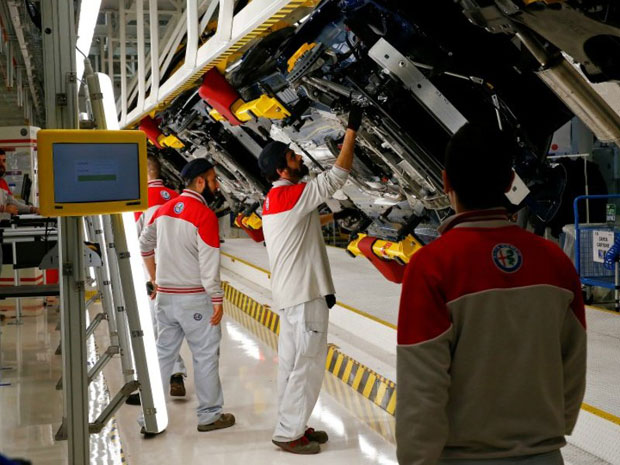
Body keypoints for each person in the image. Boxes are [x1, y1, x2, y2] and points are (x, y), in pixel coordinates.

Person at [396, 123, 587, 465]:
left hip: (463, 457)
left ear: (445, 182)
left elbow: (421, 383)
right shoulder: (555, 260)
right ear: (510, 181)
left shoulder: (431, 266)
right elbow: (573, 362)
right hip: (544, 454)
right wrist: (548, 431)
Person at [258, 104, 362, 454]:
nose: (299, 158)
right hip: (305, 297)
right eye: (292, 157)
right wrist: (351, 131)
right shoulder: (291, 194)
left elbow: (302, 226)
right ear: (281, 169)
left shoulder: (274, 200)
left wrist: (336, 220)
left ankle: (291, 424)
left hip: (290, 296)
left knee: (291, 366)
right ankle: (290, 434)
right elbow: (336, 177)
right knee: (308, 365)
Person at [139, 158, 234, 434]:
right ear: (200, 182)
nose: (217, 186)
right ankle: (209, 415)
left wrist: (154, 278)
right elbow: (209, 265)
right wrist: (217, 299)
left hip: (166, 299)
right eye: (213, 180)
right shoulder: (204, 215)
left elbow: (144, 245)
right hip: (194, 299)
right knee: (205, 356)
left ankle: (148, 417)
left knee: (162, 356)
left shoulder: (163, 210)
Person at [126, 155, 187, 406]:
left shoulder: (137, 202)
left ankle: (158, 384)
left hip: (150, 274)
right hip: (179, 273)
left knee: (152, 328)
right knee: (168, 325)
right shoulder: (177, 198)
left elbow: (135, 243)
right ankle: (174, 374)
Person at [0, 149, 39, 219]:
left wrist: (33, 209)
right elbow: (6, 208)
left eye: (4, 161)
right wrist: (4, 209)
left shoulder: (2, 182)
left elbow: (14, 203)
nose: (1, 164)